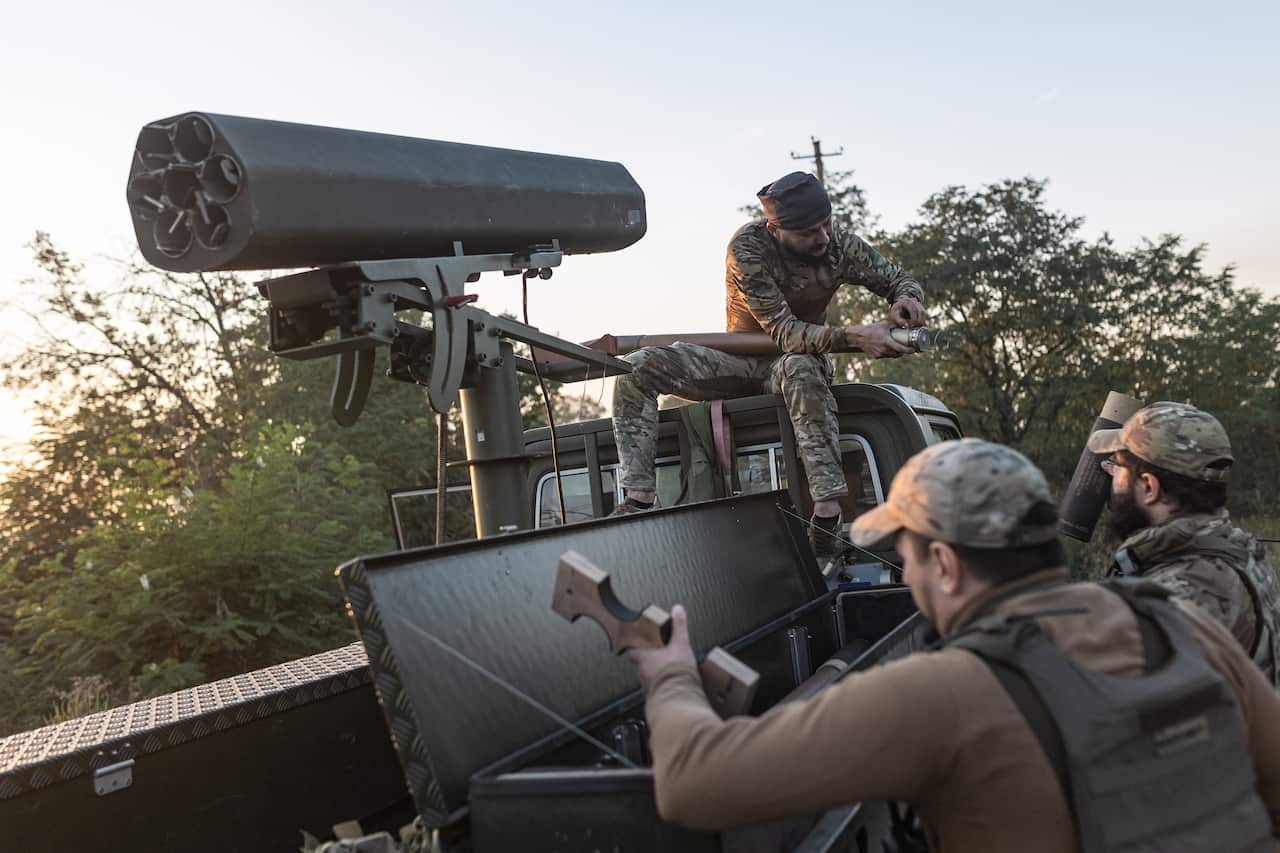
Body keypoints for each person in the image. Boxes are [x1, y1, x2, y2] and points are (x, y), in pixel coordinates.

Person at [627, 439, 1280, 852]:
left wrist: (670, 674)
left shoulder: (946, 692)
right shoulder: (1182, 627)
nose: (906, 576)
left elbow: (693, 783)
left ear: (944, 564)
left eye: (906, 557)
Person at [610, 172, 925, 566]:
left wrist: (906, 300)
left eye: (827, 223)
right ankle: (638, 500)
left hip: (794, 367)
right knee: (636, 369)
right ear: (775, 229)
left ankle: (826, 520)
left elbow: (899, 278)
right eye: (809, 231)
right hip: (735, 363)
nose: (823, 237)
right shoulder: (748, 247)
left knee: (799, 368)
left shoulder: (839, 245)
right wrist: (857, 337)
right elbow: (784, 331)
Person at [1089, 401, 1280, 687]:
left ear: (1149, 487)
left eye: (1117, 466)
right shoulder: (1236, 550)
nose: (1111, 475)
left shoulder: (1182, 593)